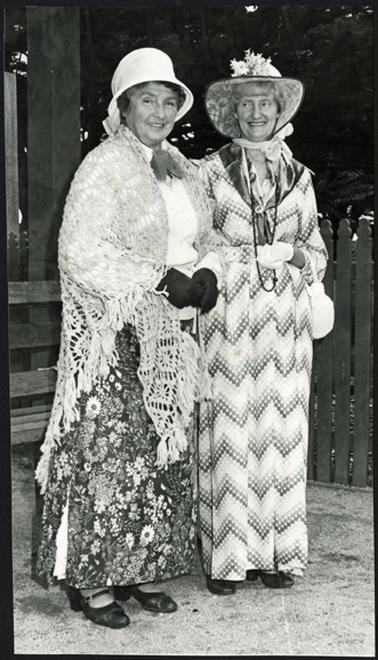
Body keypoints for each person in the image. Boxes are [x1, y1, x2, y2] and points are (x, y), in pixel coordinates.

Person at [34, 47, 221, 628]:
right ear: (124, 105)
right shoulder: (103, 165)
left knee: (159, 455)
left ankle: (141, 572)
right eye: (148, 99)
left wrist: (210, 272)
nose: (160, 110)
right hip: (113, 338)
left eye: (169, 100)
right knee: (109, 456)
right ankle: (92, 583)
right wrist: (161, 278)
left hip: (169, 334)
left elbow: (206, 235)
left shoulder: (182, 167)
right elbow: (81, 252)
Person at [197, 50, 329, 594]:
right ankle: (228, 558)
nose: (257, 112)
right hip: (228, 319)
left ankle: (278, 555)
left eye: (266, 104)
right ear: (232, 112)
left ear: (279, 110)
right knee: (231, 429)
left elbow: (317, 253)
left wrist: (294, 258)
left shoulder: (301, 178)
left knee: (280, 433)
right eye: (246, 103)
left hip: (286, 327)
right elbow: (196, 246)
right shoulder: (207, 172)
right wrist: (245, 259)